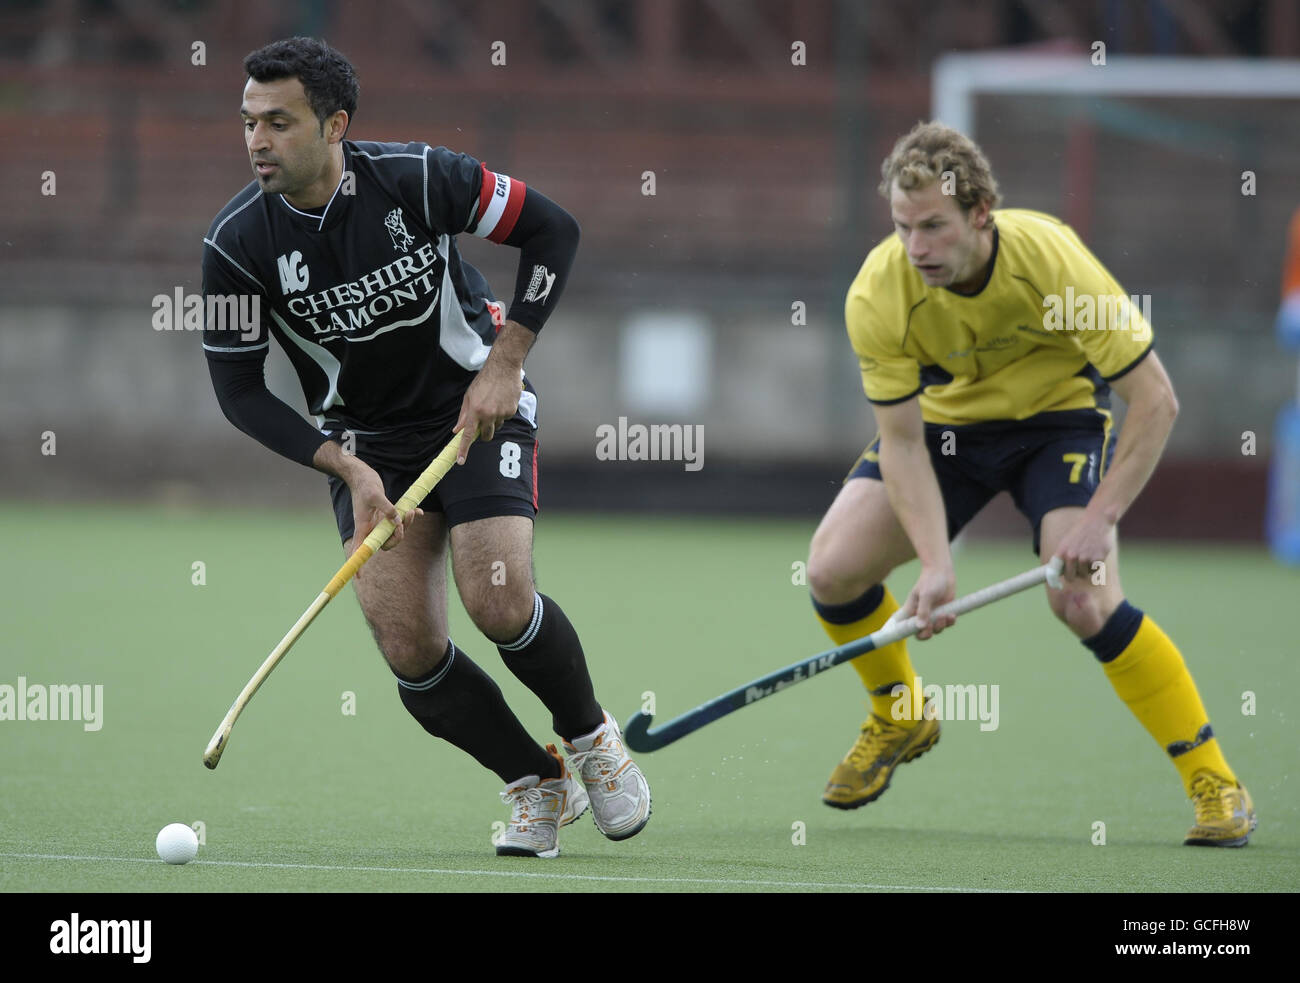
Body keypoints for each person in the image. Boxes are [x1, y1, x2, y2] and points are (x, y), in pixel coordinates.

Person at [200, 37, 649, 858]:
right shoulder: (235, 247)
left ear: (336, 124)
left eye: (279, 122)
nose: (257, 141)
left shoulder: (421, 177)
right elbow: (238, 391)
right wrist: (342, 463)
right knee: (407, 644)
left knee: (498, 595)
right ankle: (535, 780)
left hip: (472, 405)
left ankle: (590, 738)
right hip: (364, 444)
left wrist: (507, 361)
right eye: (248, 123)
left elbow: (554, 230)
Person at [806, 120, 1255, 846]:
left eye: (933, 227)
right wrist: (935, 562)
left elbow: (1156, 399)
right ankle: (899, 711)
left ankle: (1215, 781)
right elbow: (902, 440)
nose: (916, 248)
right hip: (947, 435)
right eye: (901, 226)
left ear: (981, 213)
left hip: (1057, 424)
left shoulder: (1051, 260)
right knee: (830, 570)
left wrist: (1099, 517)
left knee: (1080, 598)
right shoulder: (878, 293)